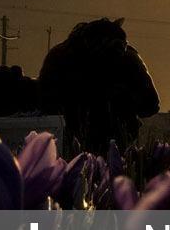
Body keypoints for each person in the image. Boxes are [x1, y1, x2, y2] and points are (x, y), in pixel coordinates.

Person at [38, 18, 160, 154]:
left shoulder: (60, 56)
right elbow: (150, 105)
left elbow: (43, 103)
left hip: (65, 146)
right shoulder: (126, 59)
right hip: (113, 147)